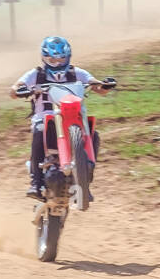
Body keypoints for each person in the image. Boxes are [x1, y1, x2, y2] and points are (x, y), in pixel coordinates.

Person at [12, 36, 114, 200]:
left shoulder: (76, 72)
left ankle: (85, 181)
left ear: (68, 57)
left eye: (62, 58)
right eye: (53, 59)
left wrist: (105, 85)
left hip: (73, 116)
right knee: (39, 130)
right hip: (45, 118)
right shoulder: (36, 75)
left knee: (94, 135)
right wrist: (20, 90)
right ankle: (35, 183)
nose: (58, 63)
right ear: (45, 58)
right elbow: (15, 88)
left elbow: (96, 85)